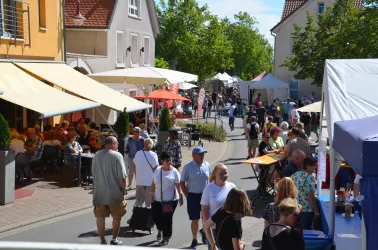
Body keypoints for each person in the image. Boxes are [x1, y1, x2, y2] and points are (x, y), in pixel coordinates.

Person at [92, 136, 127, 245]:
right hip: (114, 193)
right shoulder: (117, 156)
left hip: (99, 191)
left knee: (100, 216)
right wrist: (124, 189)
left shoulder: (97, 155)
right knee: (116, 216)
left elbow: (93, 172)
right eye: (117, 144)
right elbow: (122, 176)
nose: (118, 146)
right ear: (113, 144)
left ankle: (102, 240)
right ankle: (114, 238)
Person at [180, 146, 212, 249]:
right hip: (193, 196)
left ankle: (204, 232)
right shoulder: (188, 167)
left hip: (205, 196)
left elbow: (210, 179)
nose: (203, 156)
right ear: (194, 156)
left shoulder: (207, 165)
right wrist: (187, 196)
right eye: (200, 154)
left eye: (203, 154)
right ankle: (194, 240)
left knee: (206, 218)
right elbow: (182, 182)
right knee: (195, 219)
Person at [151, 151, 183, 246]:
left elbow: (178, 185)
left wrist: (180, 196)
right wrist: (150, 193)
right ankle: (160, 229)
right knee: (155, 217)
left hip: (170, 200)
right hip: (157, 199)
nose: (169, 162)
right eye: (167, 160)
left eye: (170, 160)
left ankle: (166, 237)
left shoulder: (175, 171)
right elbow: (153, 183)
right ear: (162, 161)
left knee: (167, 219)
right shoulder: (157, 170)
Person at [201, 164, 236, 250]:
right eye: (221, 173)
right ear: (215, 174)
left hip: (229, 228)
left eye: (226, 173)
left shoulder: (232, 187)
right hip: (214, 230)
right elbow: (204, 210)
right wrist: (213, 243)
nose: (224, 176)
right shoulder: (209, 188)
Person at [291, 157, 319, 230]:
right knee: (306, 231)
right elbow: (310, 196)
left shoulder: (294, 175)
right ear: (308, 165)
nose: (316, 167)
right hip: (306, 210)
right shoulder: (310, 178)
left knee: (295, 229)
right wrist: (316, 211)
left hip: (294, 207)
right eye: (314, 165)